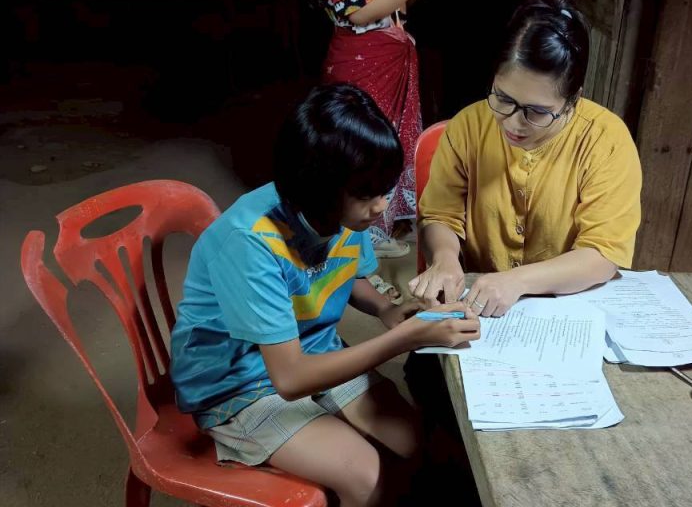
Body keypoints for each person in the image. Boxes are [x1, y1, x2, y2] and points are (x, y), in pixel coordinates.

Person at [169, 84, 480, 507]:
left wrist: (386, 309)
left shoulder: (343, 213)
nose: (381, 207)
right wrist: (404, 338)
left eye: (385, 190)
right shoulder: (251, 242)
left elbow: (345, 275)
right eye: (367, 194)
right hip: (239, 384)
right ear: (319, 187)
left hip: (313, 348)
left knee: (416, 445)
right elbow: (290, 379)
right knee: (366, 477)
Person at [410, 0, 643, 315]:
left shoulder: (605, 140)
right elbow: (440, 214)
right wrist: (445, 258)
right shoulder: (468, 126)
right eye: (503, 99)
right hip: (482, 308)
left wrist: (516, 281)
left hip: (567, 308)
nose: (513, 122)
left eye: (537, 112)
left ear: (573, 100)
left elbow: (602, 252)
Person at [314, 0, 465, 264]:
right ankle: (356, 241)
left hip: (389, 52)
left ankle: (379, 229)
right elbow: (358, 12)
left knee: (390, 142)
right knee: (361, 147)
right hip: (362, 59)